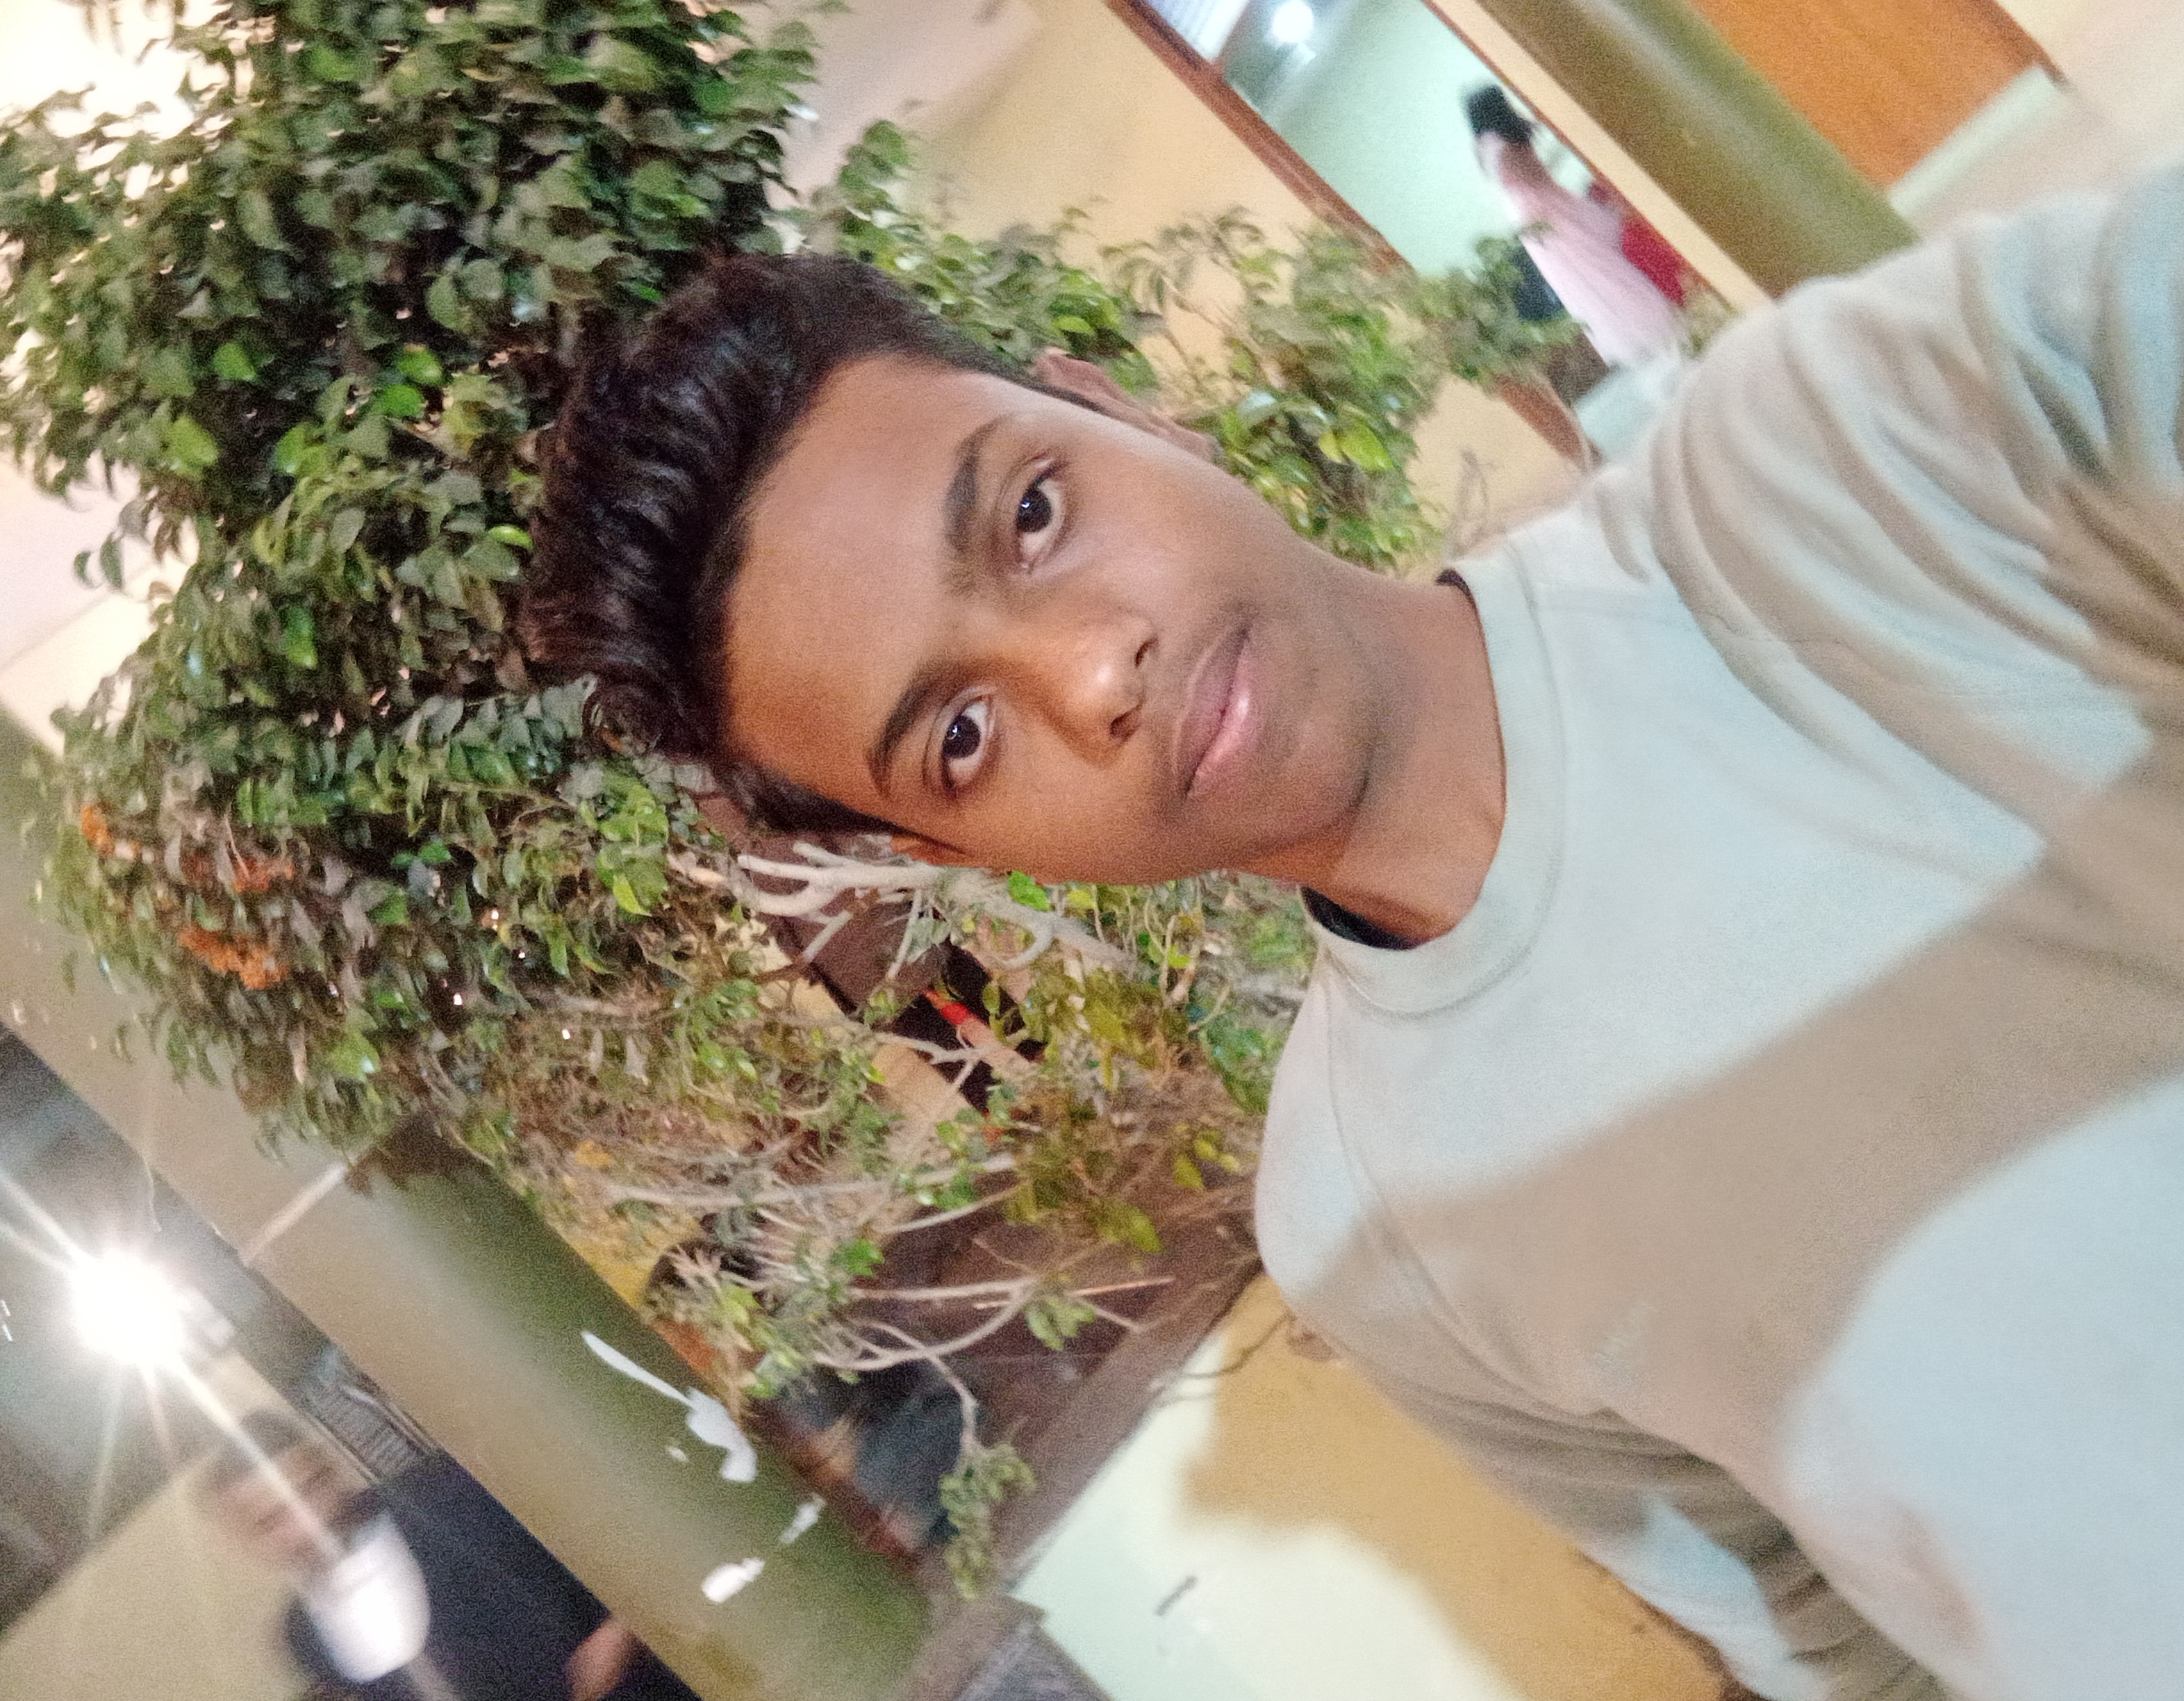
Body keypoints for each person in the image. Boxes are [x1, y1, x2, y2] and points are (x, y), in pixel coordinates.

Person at [519, 165, 2184, 1700]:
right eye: (961, 735)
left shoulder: (1838, 468)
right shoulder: (1372, 1230)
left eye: (1031, 515)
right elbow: (1829, 1635)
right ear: (943, 847)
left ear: (1114, 406)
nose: (1091, 672)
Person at [201, 1413, 700, 1701]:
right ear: (244, 1538)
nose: (306, 1521)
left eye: (308, 1488)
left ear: (328, 1467)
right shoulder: (302, 1637)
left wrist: (621, 1629)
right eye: (272, 1520)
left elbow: (619, 1530)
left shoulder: (446, 1492)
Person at [1465, 84, 1684, 367]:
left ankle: (1651, 324)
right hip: (1548, 215)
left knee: (1591, 271)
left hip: (1537, 217)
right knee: (1602, 263)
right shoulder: (1502, 146)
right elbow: (1533, 178)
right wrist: (1563, 144)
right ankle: (1655, 320)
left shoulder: (1485, 147)